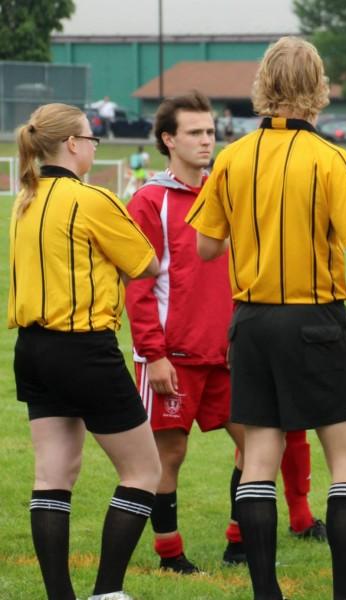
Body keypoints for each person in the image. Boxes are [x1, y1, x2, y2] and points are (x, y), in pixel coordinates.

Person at [186, 36, 346, 600]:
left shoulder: (232, 158)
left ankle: (266, 591)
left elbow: (204, 247)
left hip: (250, 323)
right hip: (314, 321)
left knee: (259, 461)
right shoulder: (332, 158)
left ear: (263, 83)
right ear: (318, 86)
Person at [10, 103, 162, 600]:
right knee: (144, 471)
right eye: (91, 137)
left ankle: (60, 596)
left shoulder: (24, 199)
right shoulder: (90, 198)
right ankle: (107, 591)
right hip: (84, 347)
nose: (95, 145)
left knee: (53, 474)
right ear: (72, 144)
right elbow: (145, 263)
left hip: (32, 349)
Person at [124, 91, 246, 573]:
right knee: (168, 456)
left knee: (256, 445)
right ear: (168, 139)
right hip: (173, 357)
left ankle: (239, 540)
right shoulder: (150, 200)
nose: (206, 141)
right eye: (195, 132)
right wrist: (153, 354)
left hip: (229, 354)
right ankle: (169, 554)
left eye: (211, 132)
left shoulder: (227, 193)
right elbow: (138, 285)